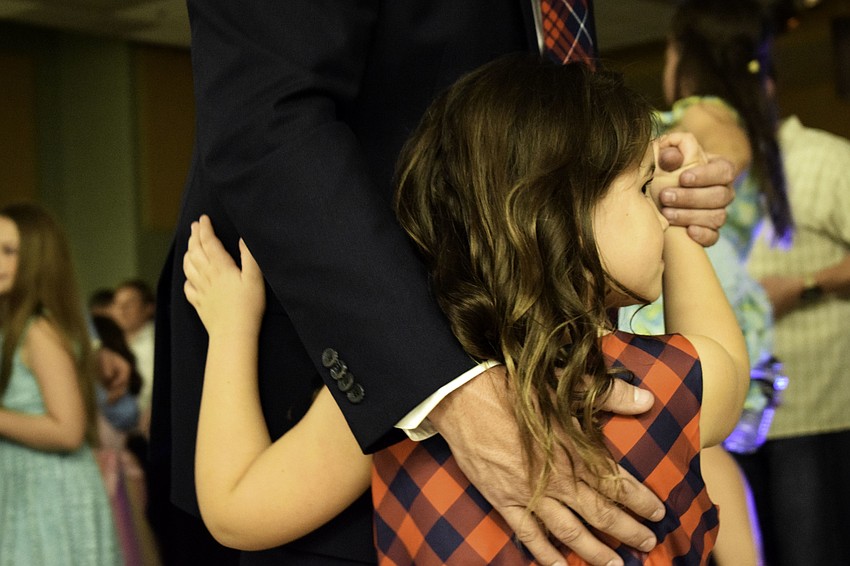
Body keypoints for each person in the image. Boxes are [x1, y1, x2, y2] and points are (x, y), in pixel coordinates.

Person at [151, 2, 737, 564]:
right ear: (556, 222)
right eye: (643, 190)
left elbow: (236, 512)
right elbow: (729, 365)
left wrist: (231, 330)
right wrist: (684, 219)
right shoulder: (644, 390)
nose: (659, 211)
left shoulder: (399, 398)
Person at [618, 1, 794, 563]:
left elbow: (686, 181)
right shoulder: (753, 126)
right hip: (736, 302)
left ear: (683, 56)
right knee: (708, 447)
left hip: (687, 287)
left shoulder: (695, 119)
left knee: (695, 437)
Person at [742, 116, 850, 564]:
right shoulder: (704, 170)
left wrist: (804, 283)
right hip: (737, 417)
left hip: (814, 414)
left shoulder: (826, 159)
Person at [0, 202, 122, 565]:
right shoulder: (13, 326)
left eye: (8, 251)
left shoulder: (38, 331)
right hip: (23, 485)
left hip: (49, 490)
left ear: (39, 259)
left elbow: (68, 430)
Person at [114, 278, 155, 435]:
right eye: (117, 304)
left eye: (129, 304)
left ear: (148, 308)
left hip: (145, 426)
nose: (121, 310)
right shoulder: (110, 343)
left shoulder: (156, 342)